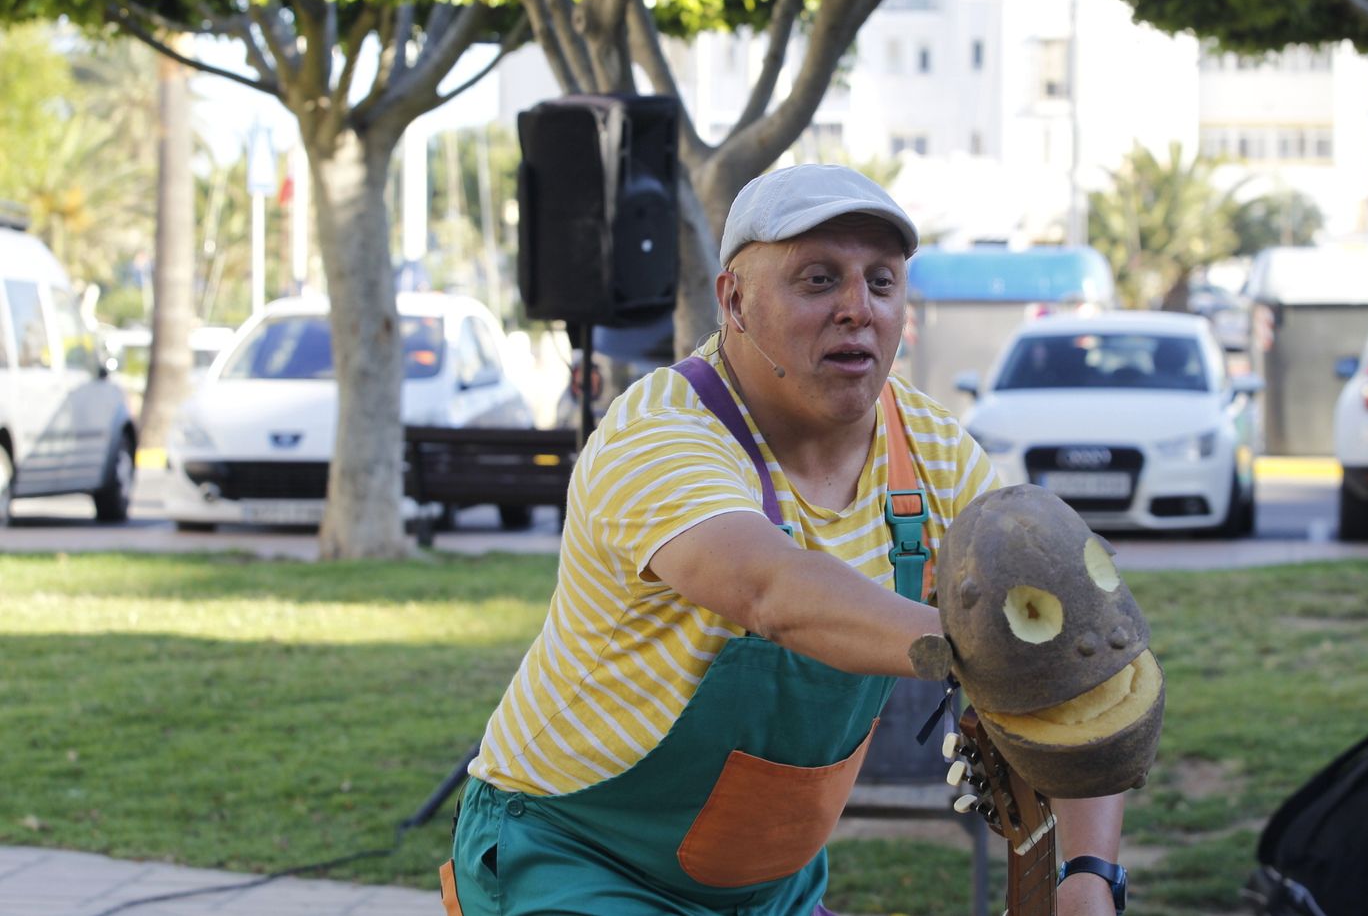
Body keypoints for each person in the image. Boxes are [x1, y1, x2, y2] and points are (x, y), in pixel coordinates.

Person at [442, 164, 1128, 915]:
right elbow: (766, 588)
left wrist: (1086, 876)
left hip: (770, 892)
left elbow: (1081, 656)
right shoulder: (660, 430)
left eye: (882, 281)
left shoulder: (932, 452)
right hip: (571, 856)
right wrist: (984, 649)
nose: (857, 309)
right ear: (732, 298)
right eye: (818, 279)